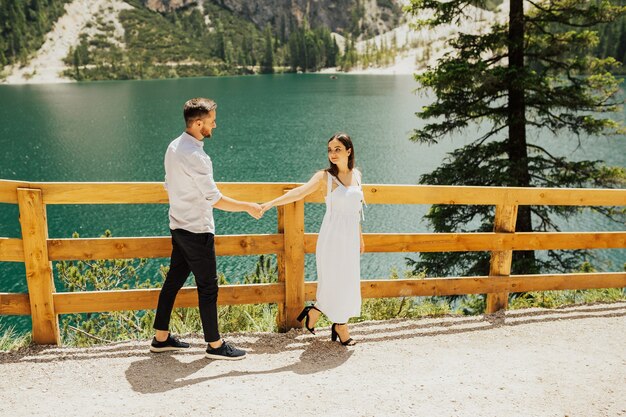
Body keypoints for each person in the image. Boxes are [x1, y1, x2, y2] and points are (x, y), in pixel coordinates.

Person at [151, 97, 263, 360]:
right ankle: (214, 344)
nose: (215, 124)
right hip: (197, 230)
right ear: (198, 123)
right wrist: (248, 206)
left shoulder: (173, 147)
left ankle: (161, 338)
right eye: (212, 121)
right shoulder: (197, 157)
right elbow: (215, 198)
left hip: (178, 226)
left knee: (173, 282)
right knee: (208, 287)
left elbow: (169, 184)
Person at [261, 133, 364, 346]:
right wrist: (270, 204)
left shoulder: (357, 175)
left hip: (351, 238)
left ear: (349, 150)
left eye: (337, 149)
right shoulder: (325, 177)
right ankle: (341, 326)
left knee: (348, 282)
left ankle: (316, 311)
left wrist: (360, 238)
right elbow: (298, 193)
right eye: (330, 150)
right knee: (333, 280)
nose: (333, 154)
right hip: (332, 237)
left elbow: (357, 210)